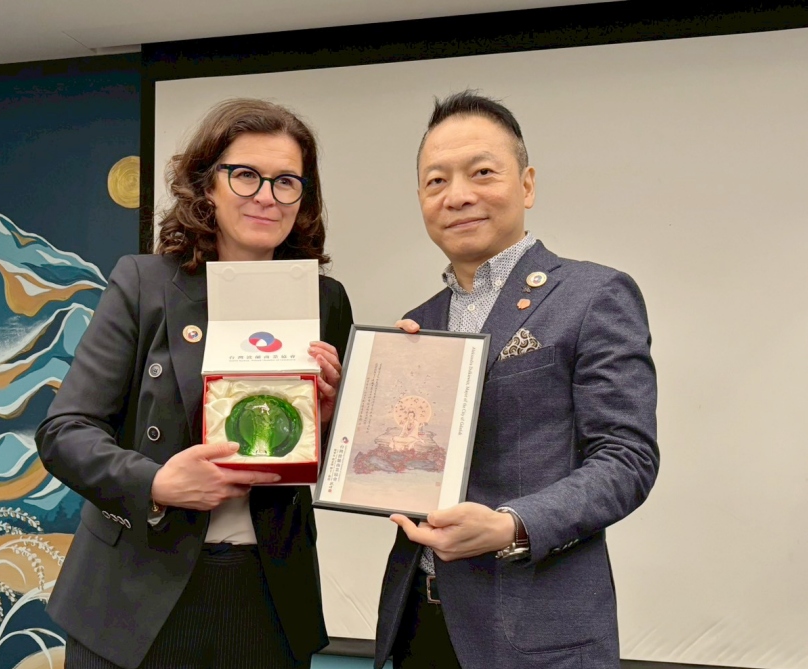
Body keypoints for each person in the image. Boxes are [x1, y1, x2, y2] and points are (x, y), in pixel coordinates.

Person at [36, 98, 353, 669]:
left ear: (303, 198)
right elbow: (65, 433)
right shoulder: (143, 283)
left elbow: (336, 467)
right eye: (245, 175)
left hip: (266, 596)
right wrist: (157, 483)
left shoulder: (324, 300)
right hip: (134, 595)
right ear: (208, 186)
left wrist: (328, 423)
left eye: (286, 182)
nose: (266, 195)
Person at [374, 91, 659, 668]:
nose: (458, 195)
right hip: (418, 623)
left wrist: (513, 526)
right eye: (436, 181)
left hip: (533, 636)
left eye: (482, 173)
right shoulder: (418, 326)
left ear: (526, 185)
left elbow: (626, 458)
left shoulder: (593, 295)